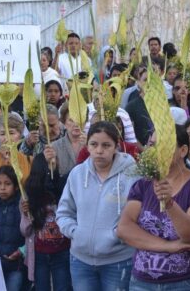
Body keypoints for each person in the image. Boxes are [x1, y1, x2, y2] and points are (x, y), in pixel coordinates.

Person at [117, 124, 190, 290]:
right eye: (152, 145)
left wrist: (170, 204)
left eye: (164, 145)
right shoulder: (142, 185)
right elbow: (124, 229)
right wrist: (169, 246)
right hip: (143, 282)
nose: (155, 150)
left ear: (183, 151)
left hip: (188, 282)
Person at [57, 121, 139, 291]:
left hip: (118, 260)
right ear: (87, 145)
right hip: (80, 261)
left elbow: (139, 215)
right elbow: (64, 212)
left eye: (106, 145)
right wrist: (75, 232)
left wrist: (117, 235)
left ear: (117, 146)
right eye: (94, 144)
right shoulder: (77, 174)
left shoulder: (133, 174)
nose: (99, 150)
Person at [21, 144, 72, 291]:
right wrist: (26, 215)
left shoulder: (62, 187)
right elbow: (24, 230)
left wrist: (54, 170)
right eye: (49, 164)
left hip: (62, 251)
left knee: (62, 286)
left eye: (55, 163)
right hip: (39, 254)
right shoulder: (29, 195)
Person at [0, 113, 31, 194]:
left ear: (20, 135)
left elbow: (30, 186)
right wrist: (6, 160)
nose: (7, 138)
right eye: (2, 134)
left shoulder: (28, 160)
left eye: (11, 133)